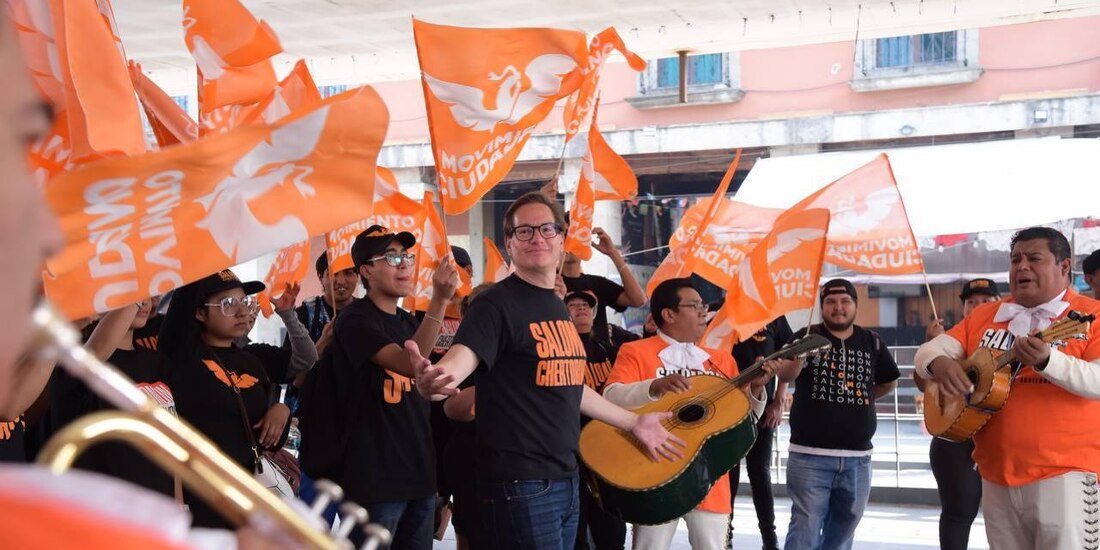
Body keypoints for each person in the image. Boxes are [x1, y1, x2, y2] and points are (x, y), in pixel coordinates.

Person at [409, 192, 683, 549]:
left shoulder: (556, 307)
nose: (537, 237)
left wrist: (633, 422)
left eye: (547, 229)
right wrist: (438, 378)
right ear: (509, 243)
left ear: (562, 240)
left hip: (566, 477)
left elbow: (569, 385)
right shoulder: (495, 304)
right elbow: (462, 359)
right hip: (519, 484)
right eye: (524, 231)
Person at [915, 227, 1100, 550]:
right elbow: (927, 354)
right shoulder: (986, 316)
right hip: (995, 474)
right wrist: (940, 365)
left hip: (1066, 475)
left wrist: (1048, 362)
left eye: (1034, 258)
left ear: (1065, 267)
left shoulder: (1092, 315)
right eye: (1015, 259)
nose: (1022, 266)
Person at [602, 278, 773, 550]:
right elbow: (610, 398)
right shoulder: (635, 351)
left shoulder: (722, 360)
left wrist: (757, 390)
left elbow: (743, 421)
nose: (703, 312)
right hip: (654, 472)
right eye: (694, 306)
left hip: (709, 476)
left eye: (703, 305)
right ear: (668, 314)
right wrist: (653, 386)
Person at [331, 224, 458, 549]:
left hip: (419, 476)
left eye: (406, 256)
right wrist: (440, 300)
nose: (404, 264)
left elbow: (422, 381)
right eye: (391, 257)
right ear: (366, 271)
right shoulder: (355, 320)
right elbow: (408, 362)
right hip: (374, 481)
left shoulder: (407, 322)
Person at [159, 270, 293, 529]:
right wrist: (201, 258)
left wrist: (282, 410)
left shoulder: (252, 362)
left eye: (244, 302)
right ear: (199, 313)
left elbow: (265, 434)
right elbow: (179, 313)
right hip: (200, 494)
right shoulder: (182, 356)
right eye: (228, 304)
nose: (242, 312)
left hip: (246, 492)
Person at [778, 278, 900, 550]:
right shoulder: (803, 335)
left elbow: (889, 380)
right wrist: (799, 355)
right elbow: (785, 374)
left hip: (858, 459)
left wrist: (863, 399)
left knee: (844, 533)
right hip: (810, 456)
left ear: (855, 305)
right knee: (805, 528)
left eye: (845, 301)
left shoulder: (872, 341)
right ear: (822, 306)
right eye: (830, 302)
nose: (838, 307)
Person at [49, 300, 177, 498]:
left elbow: (172, 444)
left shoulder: (157, 362)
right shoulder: (71, 359)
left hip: (157, 507)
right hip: (102, 506)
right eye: (129, 297)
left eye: (146, 294)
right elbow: (96, 354)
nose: (145, 301)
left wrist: (178, 503)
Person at [913, 278, 1000, 550]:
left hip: (1000, 438)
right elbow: (925, 386)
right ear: (962, 308)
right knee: (958, 513)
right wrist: (932, 350)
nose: (977, 306)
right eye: (971, 302)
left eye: (986, 301)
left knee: (1002, 518)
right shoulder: (949, 341)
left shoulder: (1009, 335)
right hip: (955, 437)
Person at [567, 290, 636, 550]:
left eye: (586, 305)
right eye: (573, 305)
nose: (581, 308)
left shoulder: (610, 349)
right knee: (576, 530)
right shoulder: (558, 352)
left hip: (608, 450)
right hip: (572, 451)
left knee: (611, 527)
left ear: (595, 313)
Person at [728, 316, 793, 550]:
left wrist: (779, 400)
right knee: (728, 474)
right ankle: (726, 534)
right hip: (725, 408)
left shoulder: (773, 316)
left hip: (762, 404)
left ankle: (769, 538)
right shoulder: (720, 312)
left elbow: (789, 355)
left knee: (760, 472)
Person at [561, 227, 646, 337]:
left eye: (574, 239)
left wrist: (613, 253)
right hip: (564, 351)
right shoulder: (549, 283)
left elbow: (638, 300)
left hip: (599, 351)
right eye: (564, 239)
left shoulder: (597, 283)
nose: (568, 244)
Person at [292, 251, 359, 349]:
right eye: (332, 274)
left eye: (348, 273)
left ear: (357, 276)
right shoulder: (304, 314)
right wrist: (324, 340)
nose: (341, 281)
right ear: (320, 278)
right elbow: (292, 363)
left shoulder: (368, 311)